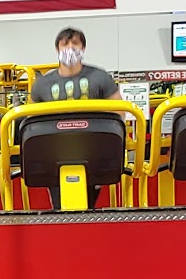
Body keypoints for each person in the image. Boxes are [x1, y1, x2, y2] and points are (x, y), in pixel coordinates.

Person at [30, 27, 121, 209]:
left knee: (88, 206)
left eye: (75, 43)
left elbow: (119, 112)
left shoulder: (100, 77)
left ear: (83, 48)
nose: (70, 48)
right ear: (57, 49)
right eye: (65, 44)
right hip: (55, 154)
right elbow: (31, 121)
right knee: (60, 207)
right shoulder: (42, 85)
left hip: (93, 152)